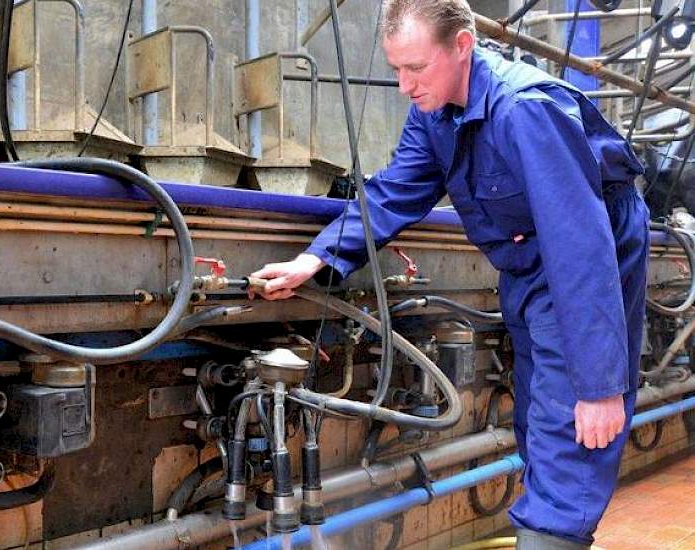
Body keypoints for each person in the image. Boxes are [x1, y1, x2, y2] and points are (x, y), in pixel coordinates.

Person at [250, 1, 649, 548]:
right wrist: (313, 259)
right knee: (541, 416)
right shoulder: (435, 111)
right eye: (395, 69)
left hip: (582, 253)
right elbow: (395, 190)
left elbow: (580, 245)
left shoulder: (524, 110)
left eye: (415, 68)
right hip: (526, 259)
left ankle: (553, 534)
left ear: (462, 45)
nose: (403, 85)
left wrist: (603, 385)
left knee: (577, 426)